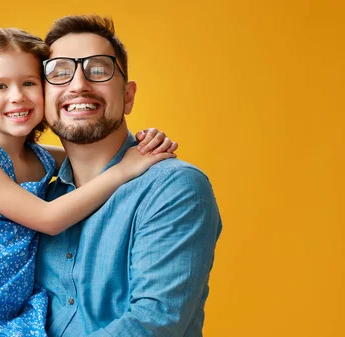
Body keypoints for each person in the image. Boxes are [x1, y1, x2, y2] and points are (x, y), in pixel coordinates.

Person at [0, 27, 178, 337]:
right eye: (0, 86)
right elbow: (48, 219)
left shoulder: (39, 158)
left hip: (11, 316)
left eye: (29, 83)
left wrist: (143, 145)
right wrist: (124, 171)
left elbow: (95, 156)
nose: (17, 96)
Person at [35, 15, 223, 337]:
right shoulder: (36, 197)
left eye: (98, 70)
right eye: (59, 73)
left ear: (129, 96)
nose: (78, 85)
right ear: (40, 99)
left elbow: (153, 323)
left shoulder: (173, 187)